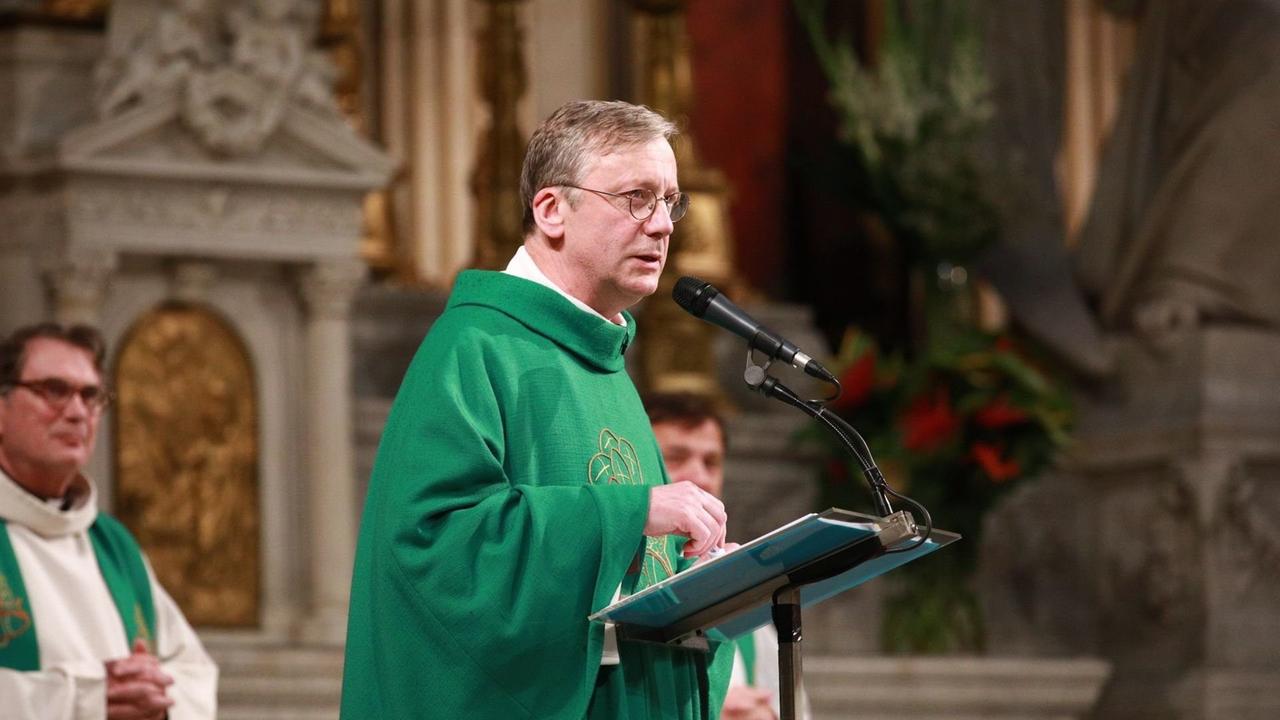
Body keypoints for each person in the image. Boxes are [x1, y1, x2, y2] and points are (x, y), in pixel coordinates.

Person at [341, 100, 734, 719]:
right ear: (551, 209)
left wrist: (701, 580)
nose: (662, 225)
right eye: (636, 197)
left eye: (670, 202)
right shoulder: (475, 348)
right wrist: (632, 513)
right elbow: (435, 549)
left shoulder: (604, 361)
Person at [0, 322, 218, 719]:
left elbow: (193, 670)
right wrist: (84, 699)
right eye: (54, 391)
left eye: (91, 395)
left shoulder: (113, 546)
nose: (77, 412)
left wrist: (155, 699)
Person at [645, 391, 813, 720]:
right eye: (676, 457)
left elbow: (790, 709)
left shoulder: (749, 615)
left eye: (711, 462)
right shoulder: (616, 586)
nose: (700, 477)